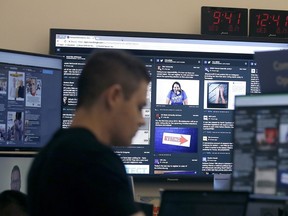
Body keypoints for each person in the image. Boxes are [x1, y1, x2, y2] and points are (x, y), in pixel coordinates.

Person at [27, 50, 151, 216]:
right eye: (139, 107)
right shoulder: (96, 161)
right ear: (114, 96)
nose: (141, 120)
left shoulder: (45, 157)